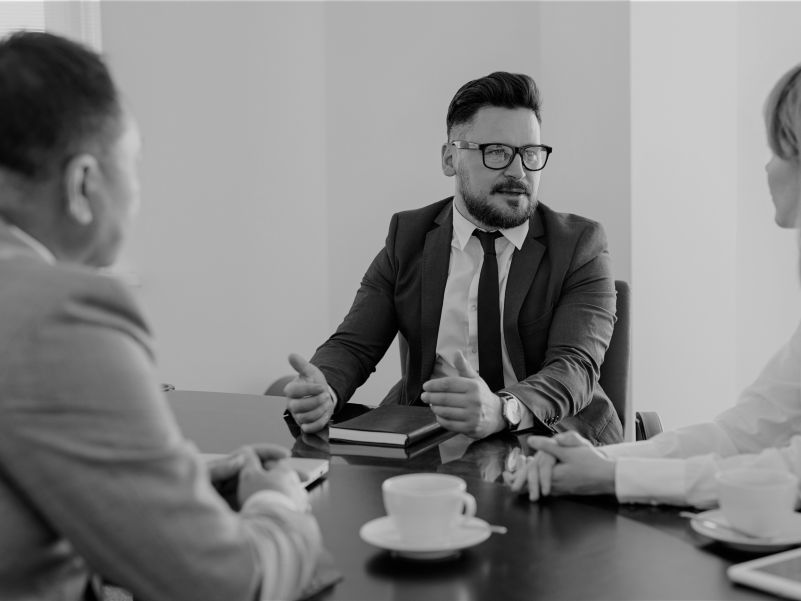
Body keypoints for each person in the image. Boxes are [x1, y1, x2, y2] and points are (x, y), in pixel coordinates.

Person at [0, 31, 324, 601]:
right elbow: (228, 586)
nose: (137, 191)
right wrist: (278, 501)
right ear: (83, 184)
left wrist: (174, 481)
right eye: (133, 164)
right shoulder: (58, 315)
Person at [507, 62, 801, 509]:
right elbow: (740, 433)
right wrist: (600, 461)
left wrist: (614, 475)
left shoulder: (579, 242)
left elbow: (789, 474)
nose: (766, 166)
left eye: (778, 151)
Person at [285, 71, 622, 444]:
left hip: (550, 437)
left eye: (530, 153)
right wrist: (325, 389)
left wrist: (503, 410)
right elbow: (354, 344)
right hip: (433, 436)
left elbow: (574, 367)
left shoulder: (579, 246)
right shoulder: (408, 237)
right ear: (450, 159)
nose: (518, 171)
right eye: (497, 152)